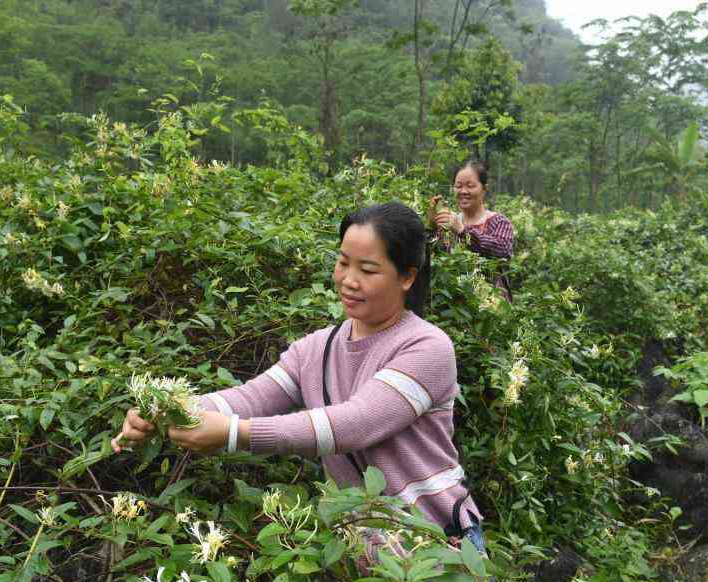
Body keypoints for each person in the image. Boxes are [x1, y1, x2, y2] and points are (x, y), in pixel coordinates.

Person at [113, 202, 485, 552]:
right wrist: (166, 410)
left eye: (368, 270)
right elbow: (250, 398)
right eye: (343, 263)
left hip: (436, 544)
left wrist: (232, 434)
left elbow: (353, 425)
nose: (348, 280)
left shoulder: (428, 347)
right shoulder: (317, 349)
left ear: (406, 277)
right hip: (363, 549)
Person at [429, 160, 514, 300]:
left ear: (484, 188)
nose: (463, 191)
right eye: (458, 186)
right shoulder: (449, 223)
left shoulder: (499, 222)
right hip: (455, 305)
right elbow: (432, 260)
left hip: (491, 309)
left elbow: (500, 250)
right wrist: (431, 225)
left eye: (470, 186)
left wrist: (462, 231)